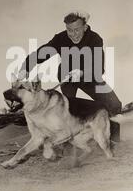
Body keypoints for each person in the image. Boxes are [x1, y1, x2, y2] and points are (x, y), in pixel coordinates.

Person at [19, 11, 122, 141]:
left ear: (85, 27)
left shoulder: (95, 39)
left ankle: (114, 140)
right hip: (67, 77)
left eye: (77, 30)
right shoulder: (61, 38)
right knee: (66, 109)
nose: (73, 34)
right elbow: (40, 54)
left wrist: (82, 72)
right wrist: (25, 68)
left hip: (90, 77)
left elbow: (99, 68)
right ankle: (65, 143)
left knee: (114, 104)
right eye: (69, 30)